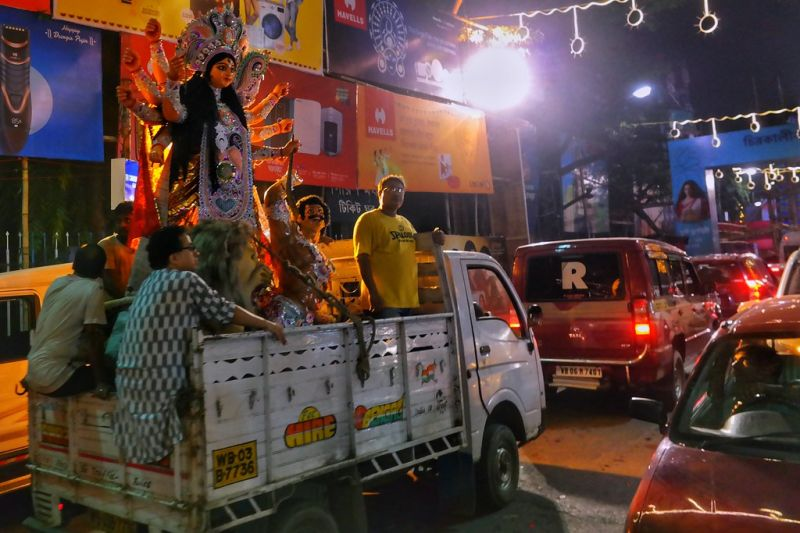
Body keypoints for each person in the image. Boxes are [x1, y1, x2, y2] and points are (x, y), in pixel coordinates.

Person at [113, 225, 285, 464]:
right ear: (174, 257)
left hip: (131, 386)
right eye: (190, 248)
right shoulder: (184, 280)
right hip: (159, 389)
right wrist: (268, 324)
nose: (197, 253)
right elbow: (225, 310)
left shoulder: (151, 282)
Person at [162, 7, 297, 228]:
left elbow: (245, 151)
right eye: (222, 67)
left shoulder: (234, 113)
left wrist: (281, 152)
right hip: (199, 196)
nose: (228, 73)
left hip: (237, 200)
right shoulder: (195, 105)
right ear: (207, 70)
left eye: (232, 69)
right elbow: (174, 115)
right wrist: (172, 81)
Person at [24, 245, 111, 398]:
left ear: (74, 264)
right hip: (55, 379)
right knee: (115, 373)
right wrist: (101, 383)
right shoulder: (93, 289)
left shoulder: (58, 283)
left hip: (33, 374)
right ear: (101, 271)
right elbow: (94, 339)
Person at [353, 175, 444, 318]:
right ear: (379, 193)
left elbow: (420, 242)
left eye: (401, 190)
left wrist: (435, 236)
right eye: (392, 189)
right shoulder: (368, 220)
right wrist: (373, 293)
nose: (397, 193)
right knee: (389, 341)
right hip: (384, 303)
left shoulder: (405, 223)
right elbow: (362, 258)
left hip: (409, 301)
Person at [257, 175, 334, 327]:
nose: (317, 215)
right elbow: (272, 198)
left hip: (308, 317)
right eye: (311, 211)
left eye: (321, 212)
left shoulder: (319, 253)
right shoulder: (289, 238)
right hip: (287, 313)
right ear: (298, 217)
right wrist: (289, 180)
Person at [98, 201, 135, 299]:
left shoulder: (142, 245)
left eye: (127, 220)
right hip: (114, 305)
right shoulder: (106, 245)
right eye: (119, 221)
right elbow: (111, 284)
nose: (122, 225)